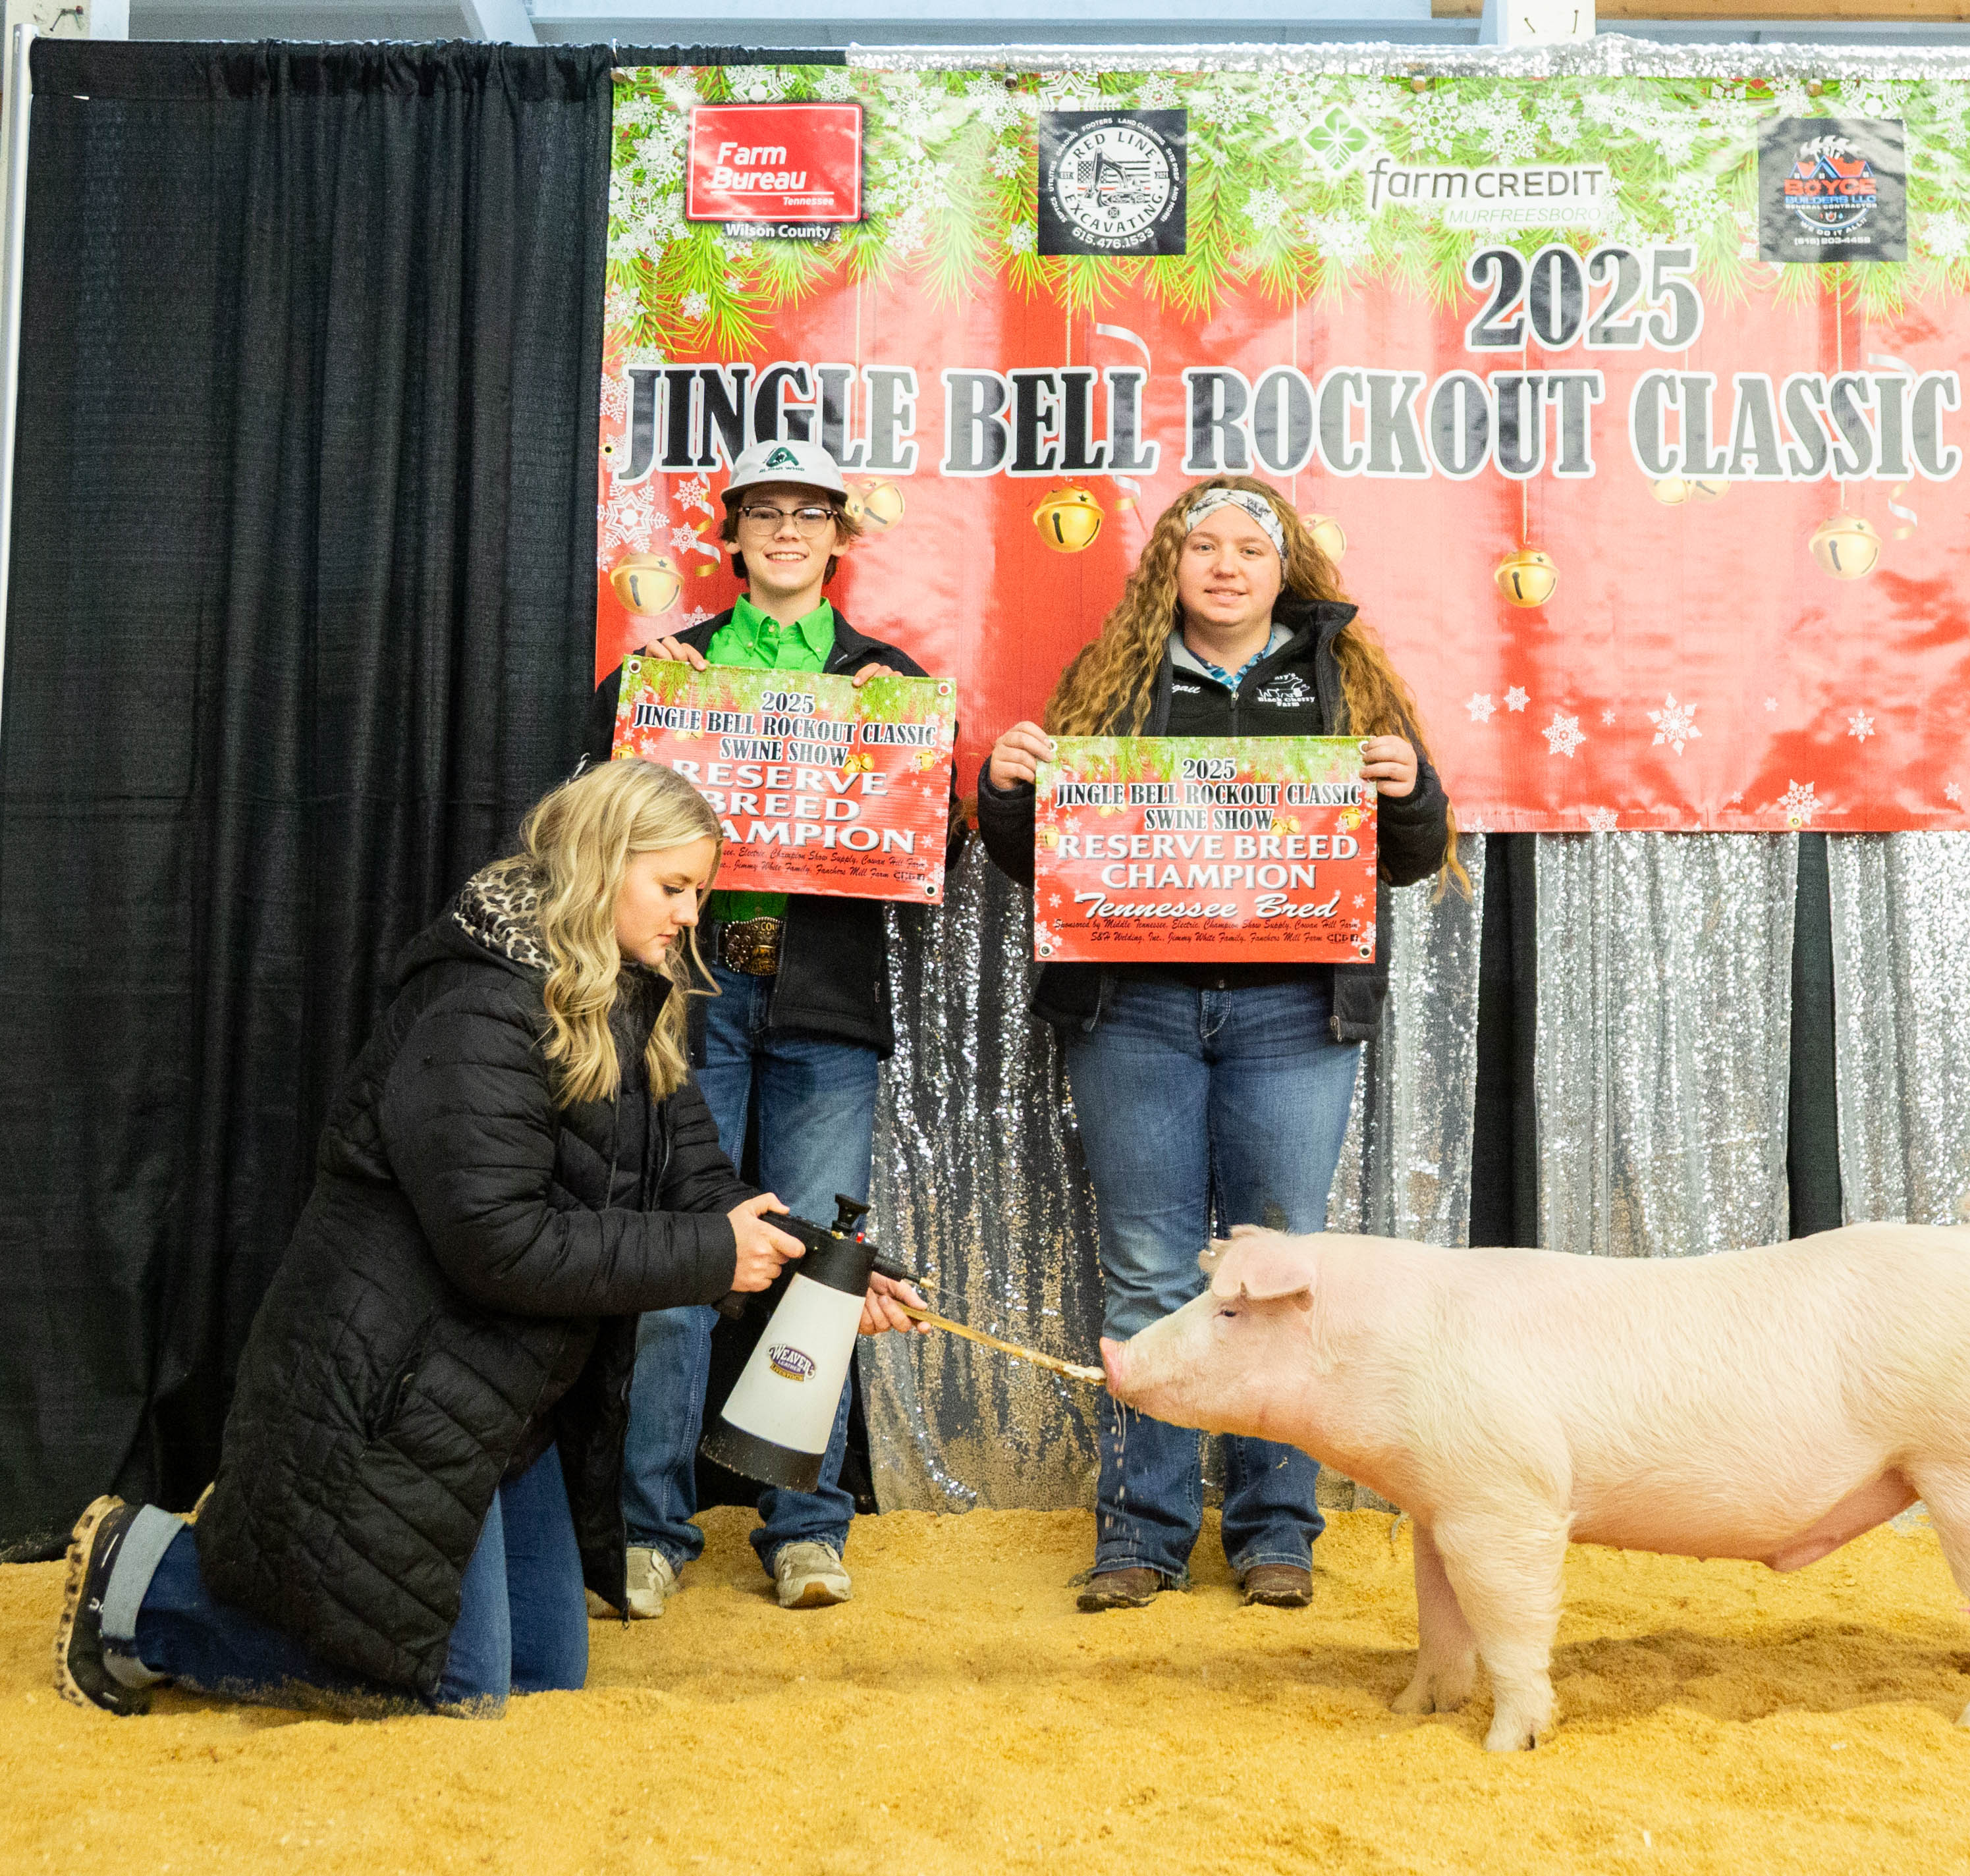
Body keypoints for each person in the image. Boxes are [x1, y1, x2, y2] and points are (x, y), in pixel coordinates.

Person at [52, 761, 928, 1718]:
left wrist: (829, 1276)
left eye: (700, 893)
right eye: (674, 887)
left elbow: (701, 1187)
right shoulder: (481, 1002)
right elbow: (499, 1244)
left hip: (505, 1395)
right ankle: (148, 1582)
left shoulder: (637, 997)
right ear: (601, 864)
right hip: (398, 1385)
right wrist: (717, 1255)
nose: (691, 915)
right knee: (460, 1690)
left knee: (543, 1673)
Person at [977, 475, 1460, 1614]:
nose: (1228, 565)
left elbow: (1412, 854)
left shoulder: (1342, 678)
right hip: (1134, 1009)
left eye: (1252, 547)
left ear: (1287, 567)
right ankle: (1141, 1531)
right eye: (1206, 546)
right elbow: (1039, 857)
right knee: (1148, 1267)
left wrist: (1409, 790)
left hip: (1293, 1013)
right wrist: (1006, 792)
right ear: (1172, 565)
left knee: (1279, 1271)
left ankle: (1274, 1530)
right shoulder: (1114, 678)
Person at [592, 437, 932, 1618]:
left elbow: (926, 844)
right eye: (766, 511)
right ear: (730, 534)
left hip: (825, 1009)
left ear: (841, 536)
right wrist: (631, 703)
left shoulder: (890, 680)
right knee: (678, 1255)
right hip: (691, 998)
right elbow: (595, 810)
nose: (788, 530)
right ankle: (647, 1527)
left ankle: (807, 1527)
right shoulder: (670, 671)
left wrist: (911, 764)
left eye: (811, 512)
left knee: (824, 1275)